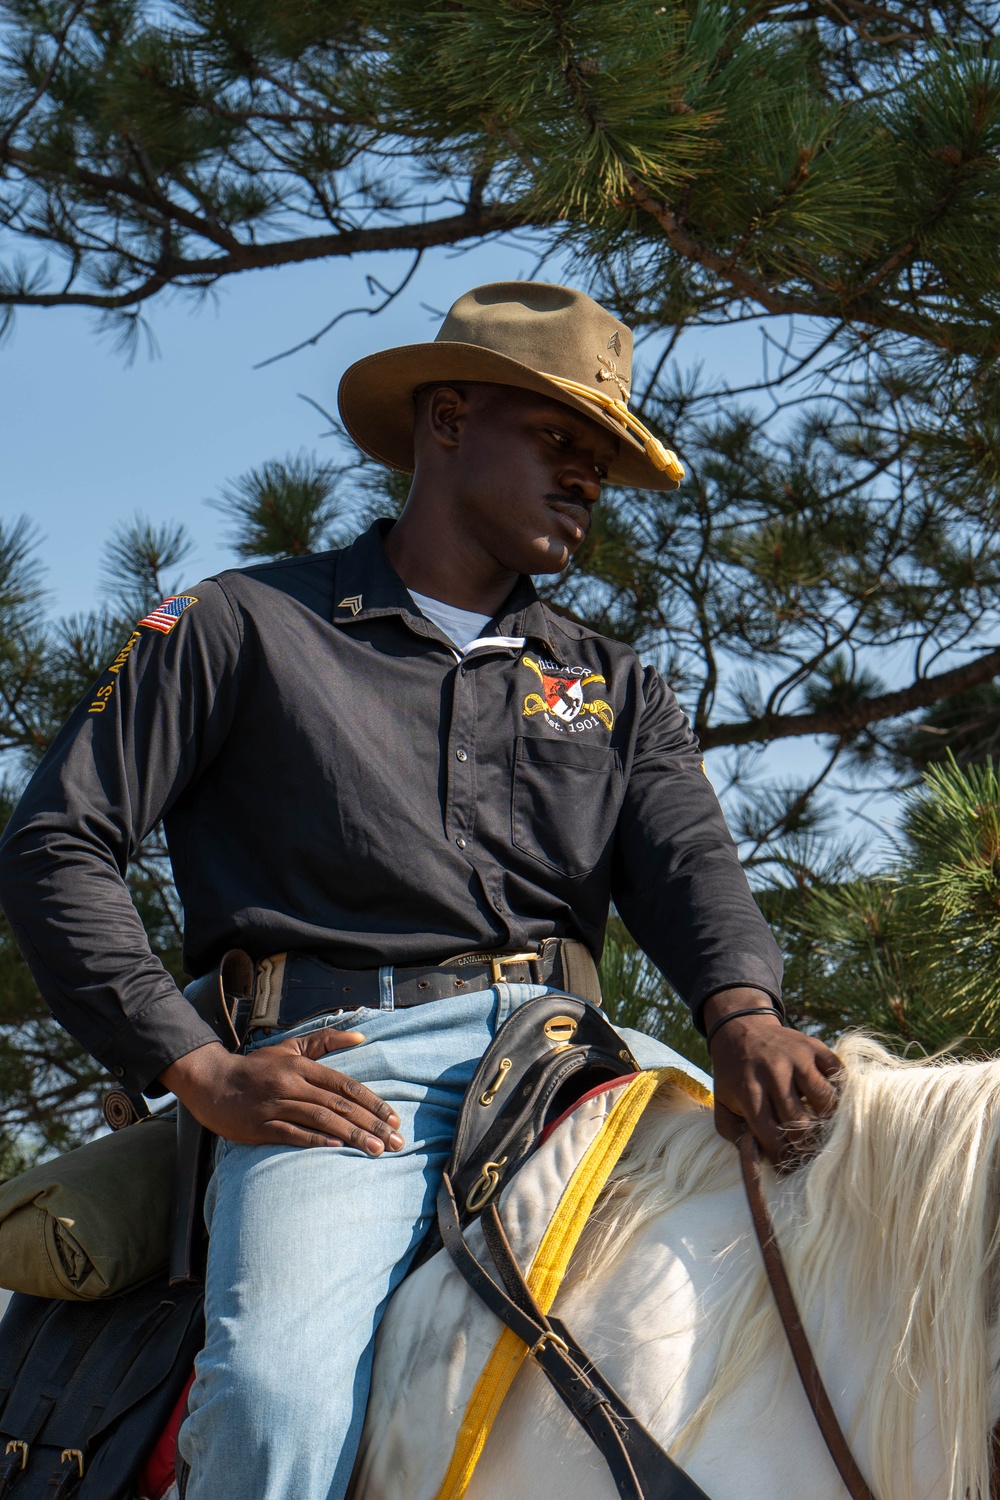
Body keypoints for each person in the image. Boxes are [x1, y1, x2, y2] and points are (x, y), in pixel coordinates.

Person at [0, 281, 840, 1498]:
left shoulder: (614, 685)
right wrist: (197, 1067)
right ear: (447, 419)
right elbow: (56, 843)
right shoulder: (243, 626)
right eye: (560, 440)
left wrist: (745, 1013)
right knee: (276, 1400)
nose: (587, 479)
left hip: (580, 1062)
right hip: (344, 1081)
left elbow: (693, 871)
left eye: (600, 460)